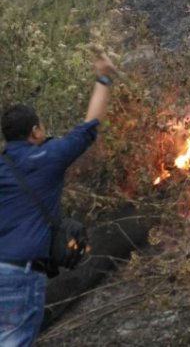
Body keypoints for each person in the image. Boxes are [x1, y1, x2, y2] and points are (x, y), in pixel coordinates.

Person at [0, 50, 117, 346]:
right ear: (36, 131)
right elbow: (90, 126)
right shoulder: (48, 156)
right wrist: (104, 78)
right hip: (22, 273)